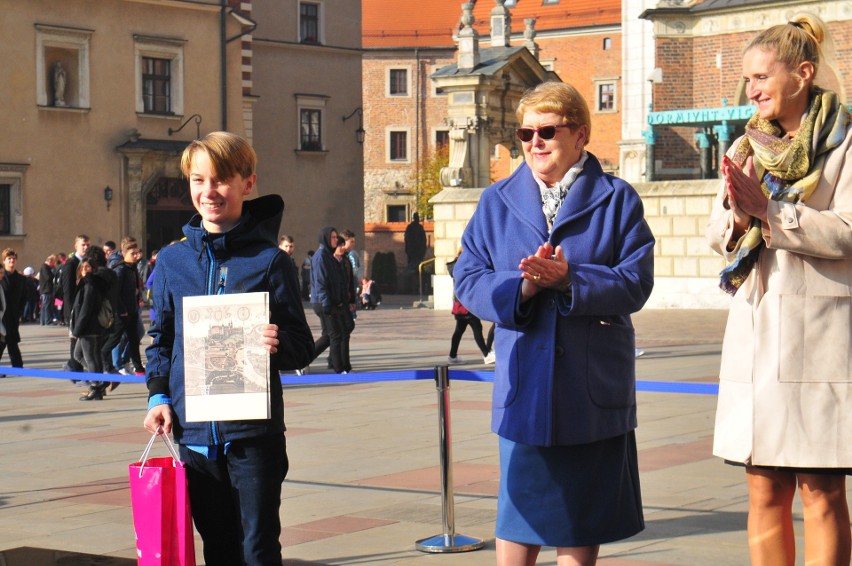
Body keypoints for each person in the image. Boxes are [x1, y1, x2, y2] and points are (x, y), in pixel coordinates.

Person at [454, 81, 654, 565]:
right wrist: (521, 288)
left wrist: (570, 279)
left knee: (579, 521)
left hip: (590, 385)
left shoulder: (617, 198)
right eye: (525, 133)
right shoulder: (496, 200)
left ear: (581, 134)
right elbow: (468, 277)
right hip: (525, 386)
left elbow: (635, 281)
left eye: (548, 130)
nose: (534, 143)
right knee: (518, 512)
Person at [706, 14, 852, 566]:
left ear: (804, 75)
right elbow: (716, 234)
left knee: (821, 490)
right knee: (763, 488)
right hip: (754, 340)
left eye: (763, 76)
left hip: (819, 340)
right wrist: (739, 219)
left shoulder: (843, 143)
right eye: (748, 79)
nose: (753, 89)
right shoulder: (747, 147)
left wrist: (770, 211)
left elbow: (848, 230)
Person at [143, 131, 313, 566]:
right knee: (217, 548)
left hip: (254, 436)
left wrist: (279, 343)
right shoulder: (171, 262)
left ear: (247, 183)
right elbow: (160, 340)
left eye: (220, 180)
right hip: (195, 437)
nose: (208, 192)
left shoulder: (270, 261)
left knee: (257, 549)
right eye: (198, 181)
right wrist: (159, 396)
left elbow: (301, 345)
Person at [72, 249, 116, 401]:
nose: (85, 270)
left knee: (90, 358)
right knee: (81, 356)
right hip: (91, 327)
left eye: (88, 267)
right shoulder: (88, 283)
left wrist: (77, 330)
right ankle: (99, 380)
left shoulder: (90, 285)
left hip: (88, 328)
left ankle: (96, 386)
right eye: (82, 267)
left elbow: (85, 309)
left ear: (93, 269)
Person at [100, 239, 145, 376]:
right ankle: (104, 363)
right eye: (133, 253)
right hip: (122, 313)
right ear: (124, 254)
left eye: (137, 253)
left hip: (132, 310)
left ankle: (138, 368)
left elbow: (134, 289)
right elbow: (114, 293)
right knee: (114, 339)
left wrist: (137, 301)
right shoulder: (120, 269)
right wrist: (122, 310)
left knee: (134, 339)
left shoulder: (132, 268)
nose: (136, 256)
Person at [310, 227, 348, 374]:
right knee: (335, 334)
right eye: (332, 237)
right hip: (322, 302)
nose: (336, 240)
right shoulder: (321, 257)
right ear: (325, 238)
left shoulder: (328, 255)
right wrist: (326, 302)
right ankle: (339, 369)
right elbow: (320, 282)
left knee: (328, 335)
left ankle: (303, 360)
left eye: (336, 237)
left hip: (329, 301)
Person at [446, 249, 489, 364]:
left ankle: (452, 356)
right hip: (467, 302)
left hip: (459, 304)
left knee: (459, 330)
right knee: (477, 328)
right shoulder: (465, 266)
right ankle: (486, 355)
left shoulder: (455, 267)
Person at [0, 249, 27, 369]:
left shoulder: (20, 278)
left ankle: (18, 367)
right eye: (9, 259)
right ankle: (18, 366)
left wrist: (19, 312)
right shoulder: (1, 277)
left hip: (13, 315)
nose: (12, 261)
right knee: (5, 341)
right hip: (2, 316)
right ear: (4, 261)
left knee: (10, 341)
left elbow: (24, 298)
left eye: (13, 259)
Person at [38, 255, 58, 325]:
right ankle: (47, 321)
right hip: (46, 289)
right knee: (47, 306)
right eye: (53, 262)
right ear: (50, 261)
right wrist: (53, 275)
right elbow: (48, 277)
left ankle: (43, 321)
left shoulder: (45, 267)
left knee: (44, 306)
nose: (53, 264)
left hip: (45, 289)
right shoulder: (45, 267)